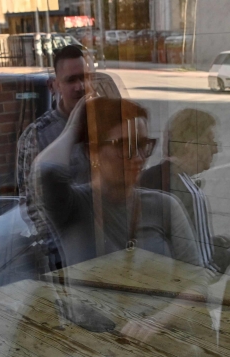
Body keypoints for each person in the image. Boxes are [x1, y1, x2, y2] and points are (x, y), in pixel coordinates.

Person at [35, 96, 210, 341]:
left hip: (157, 348)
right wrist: (77, 125)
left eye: (143, 144)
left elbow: (198, 282)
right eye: (123, 145)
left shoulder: (164, 206)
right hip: (92, 349)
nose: (138, 156)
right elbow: (44, 171)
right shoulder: (71, 207)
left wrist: (156, 322)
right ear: (92, 151)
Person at [139, 108, 220, 271]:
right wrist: (228, 258)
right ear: (190, 146)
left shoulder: (144, 178)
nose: (215, 149)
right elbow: (202, 269)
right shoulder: (190, 193)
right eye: (210, 141)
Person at [15, 45, 90, 199]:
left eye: (84, 78)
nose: (80, 86)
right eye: (71, 80)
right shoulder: (37, 136)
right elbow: (32, 204)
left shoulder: (106, 122)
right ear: (54, 85)